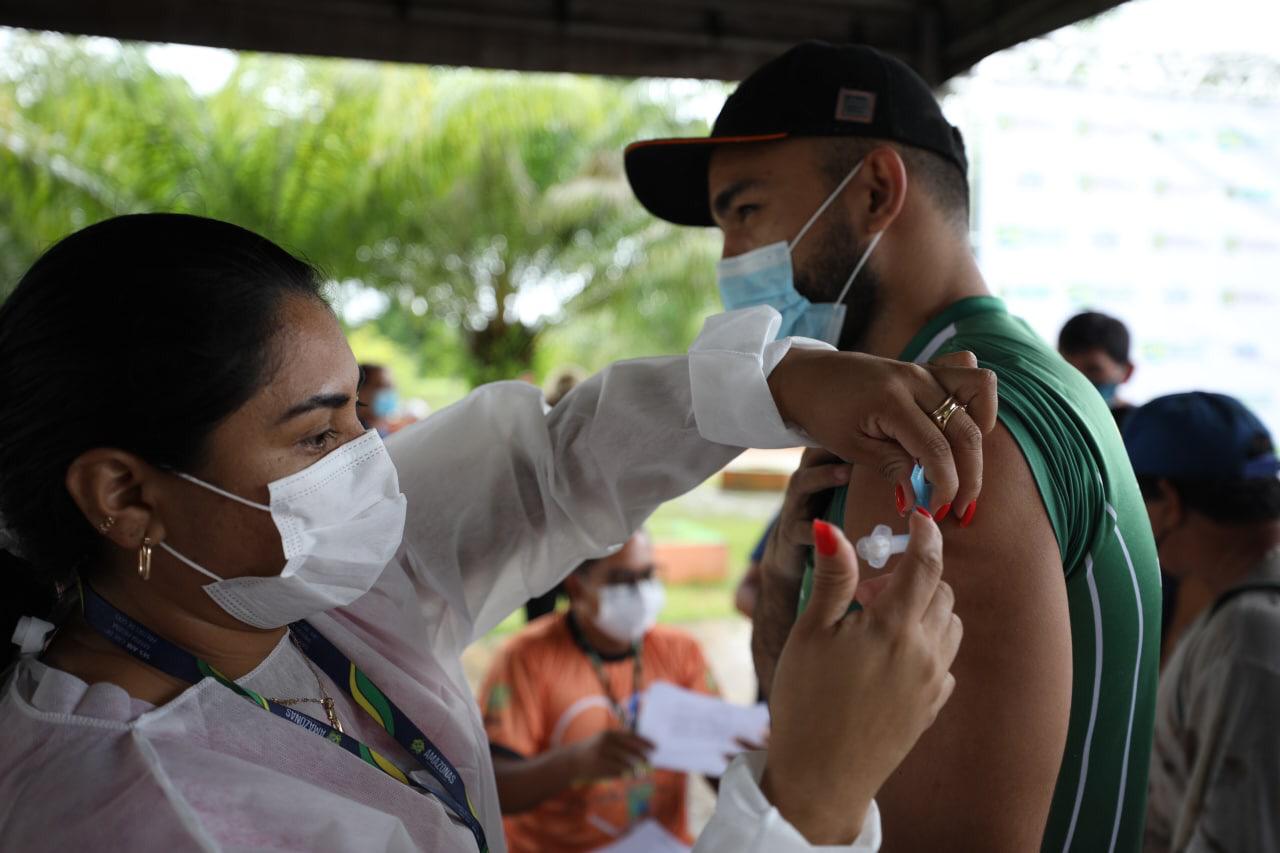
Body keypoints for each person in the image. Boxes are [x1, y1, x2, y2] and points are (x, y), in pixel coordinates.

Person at [0, 213, 989, 851]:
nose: (369, 459)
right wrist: (807, 796)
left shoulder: (277, 595)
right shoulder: (161, 817)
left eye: (358, 412)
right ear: (125, 496)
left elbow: (543, 474)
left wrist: (777, 382)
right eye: (315, 433)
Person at [625, 41, 1162, 851]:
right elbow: (839, 740)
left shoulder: (945, 428)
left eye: (745, 212)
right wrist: (784, 593)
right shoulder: (1000, 380)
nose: (730, 263)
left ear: (874, 191)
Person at [481, 530, 715, 850]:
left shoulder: (681, 652)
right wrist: (574, 763)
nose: (641, 592)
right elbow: (492, 790)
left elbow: (722, 763)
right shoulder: (526, 658)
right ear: (577, 586)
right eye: (622, 580)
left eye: (648, 575)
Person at [1119, 393, 1280, 853]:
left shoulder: (1249, 636)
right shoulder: (1241, 606)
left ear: (1168, 501)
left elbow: (1240, 833)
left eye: (1134, 505)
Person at [1058, 310, 1137, 429]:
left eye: (1093, 369)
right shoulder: (1048, 422)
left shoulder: (1143, 430)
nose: (1077, 380)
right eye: (1068, 368)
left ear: (1127, 372)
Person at [357, 362, 401, 437]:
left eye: (390, 387)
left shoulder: (390, 432)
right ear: (360, 391)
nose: (388, 391)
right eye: (380, 386)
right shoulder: (354, 435)